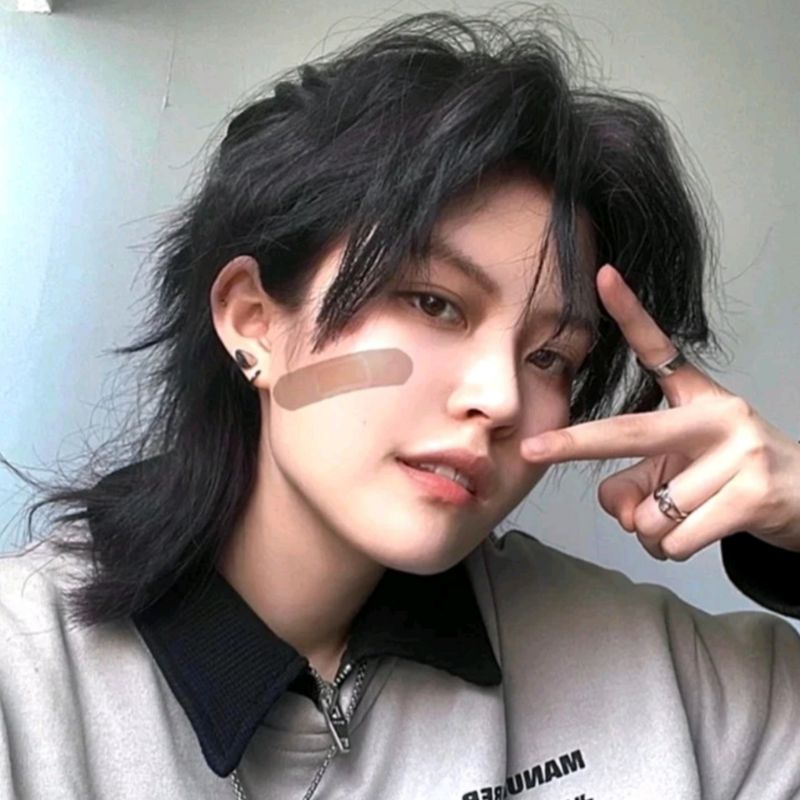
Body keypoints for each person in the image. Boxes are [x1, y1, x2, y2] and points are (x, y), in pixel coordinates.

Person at [1, 8, 799, 800]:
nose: (499, 397)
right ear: (253, 321)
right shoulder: (27, 681)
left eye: (550, 357)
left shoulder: (652, 674)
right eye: (434, 304)